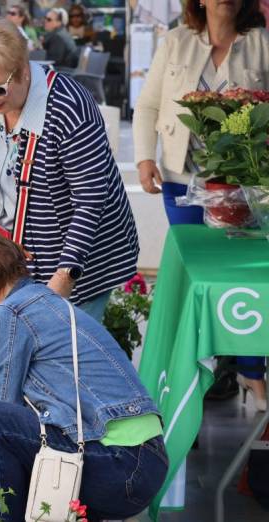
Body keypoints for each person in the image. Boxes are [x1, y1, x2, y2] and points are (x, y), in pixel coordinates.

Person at [0, 229, 168, 522]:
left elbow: (1, 410)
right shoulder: (44, 301)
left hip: (122, 463)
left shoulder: (11, 312)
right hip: (142, 462)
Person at [0, 16, 139, 322]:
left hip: (78, 258)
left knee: (69, 345)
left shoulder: (68, 105)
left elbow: (91, 198)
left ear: (24, 71)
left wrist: (65, 275)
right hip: (23, 257)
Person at [133, 0, 269, 410]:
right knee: (194, 277)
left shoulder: (260, 42)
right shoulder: (175, 41)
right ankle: (194, 372)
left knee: (241, 277)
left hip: (243, 186)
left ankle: (251, 370)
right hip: (181, 181)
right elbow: (148, 105)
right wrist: (144, 158)